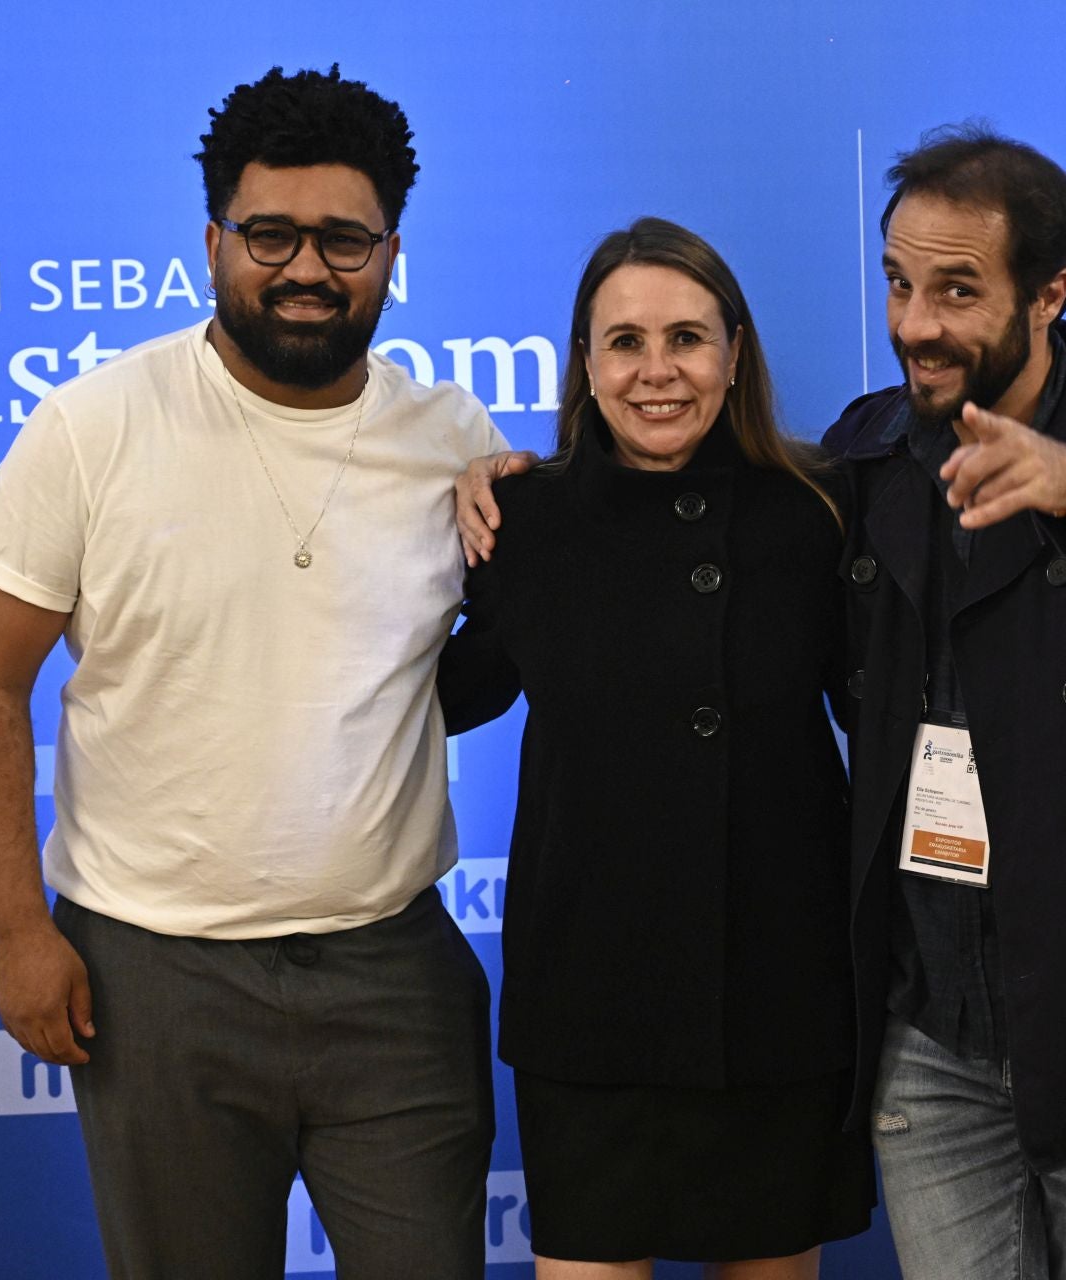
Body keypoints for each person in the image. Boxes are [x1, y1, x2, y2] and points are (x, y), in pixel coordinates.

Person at [458, 127, 1066, 1280]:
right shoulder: (862, 458)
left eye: (957, 289)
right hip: (925, 1009)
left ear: (1049, 291)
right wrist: (499, 480)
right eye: (900, 283)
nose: (915, 322)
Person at [0, 66, 504, 1280]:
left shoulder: (457, 441)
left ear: (391, 252)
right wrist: (14, 931)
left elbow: (516, 650)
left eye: (344, 239)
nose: (307, 268)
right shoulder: (92, 428)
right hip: (154, 976)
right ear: (213, 242)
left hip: (392, 970)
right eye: (271, 235)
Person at [437, 217, 873, 1280]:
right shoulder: (519, 519)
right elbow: (440, 695)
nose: (657, 370)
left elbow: (888, 709)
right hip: (590, 1005)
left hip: (781, 991)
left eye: (687, 336)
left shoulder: (821, 508)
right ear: (585, 361)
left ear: (735, 350)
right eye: (623, 341)